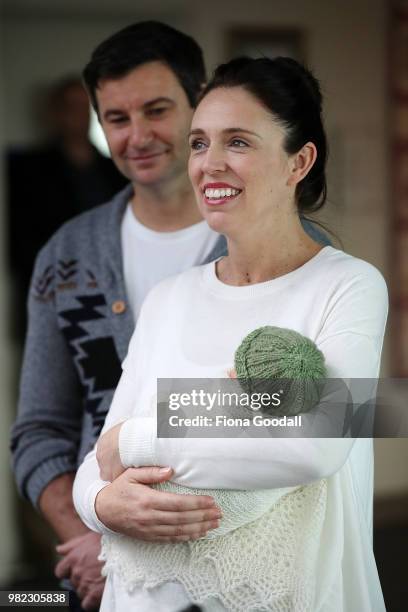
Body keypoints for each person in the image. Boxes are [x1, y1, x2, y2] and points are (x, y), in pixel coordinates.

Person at [10, 23, 327, 612]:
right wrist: (90, 537)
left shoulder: (299, 256)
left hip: (247, 575)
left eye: (157, 109)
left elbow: (336, 415)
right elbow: (40, 430)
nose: (138, 136)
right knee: (26, 603)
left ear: (199, 103)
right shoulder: (67, 255)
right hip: (102, 578)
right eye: (116, 118)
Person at [73, 56, 388, 611]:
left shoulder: (349, 286)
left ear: (299, 161)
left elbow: (315, 442)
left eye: (237, 142)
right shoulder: (170, 298)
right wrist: (102, 505)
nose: (209, 165)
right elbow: (96, 463)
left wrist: (136, 442)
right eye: (199, 143)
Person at [7, 76, 126, 338]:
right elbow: (20, 238)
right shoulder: (28, 169)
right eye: (71, 107)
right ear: (56, 113)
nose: (79, 115)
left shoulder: (115, 171)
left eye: (84, 107)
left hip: (107, 295)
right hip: (48, 293)